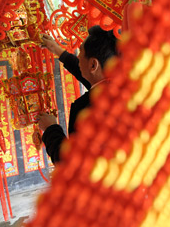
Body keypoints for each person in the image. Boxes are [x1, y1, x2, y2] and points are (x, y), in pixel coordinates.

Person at [37, 26, 119, 164]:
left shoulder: (89, 113)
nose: (78, 55)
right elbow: (85, 70)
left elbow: (69, 163)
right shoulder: (113, 88)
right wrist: (58, 51)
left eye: (80, 52)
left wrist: (51, 129)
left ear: (93, 65)